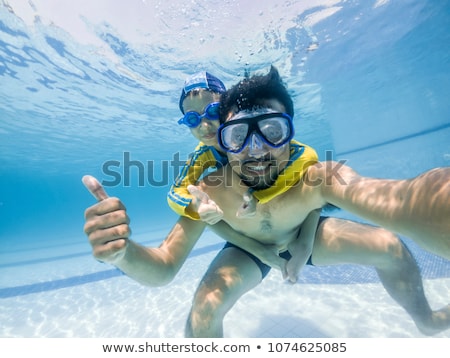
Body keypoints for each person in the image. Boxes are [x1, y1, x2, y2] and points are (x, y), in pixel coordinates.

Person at [82, 66, 450, 338]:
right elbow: (163, 268)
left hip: (302, 234)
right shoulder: (204, 182)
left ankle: (427, 320)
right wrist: (122, 253)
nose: (255, 148)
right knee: (203, 310)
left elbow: (396, 199)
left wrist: (305, 242)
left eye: (271, 131)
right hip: (248, 251)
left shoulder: (307, 166)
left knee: (390, 244)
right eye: (238, 135)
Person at [168, 71, 320, 280]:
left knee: (311, 178)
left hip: (288, 212)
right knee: (211, 213)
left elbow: (308, 158)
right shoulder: (202, 154)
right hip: (245, 217)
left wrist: (257, 196)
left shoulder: (262, 136)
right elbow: (175, 192)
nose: (204, 126)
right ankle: (258, 251)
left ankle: (304, 243)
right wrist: (196, 206)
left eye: (212, 111)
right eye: (192, 118)